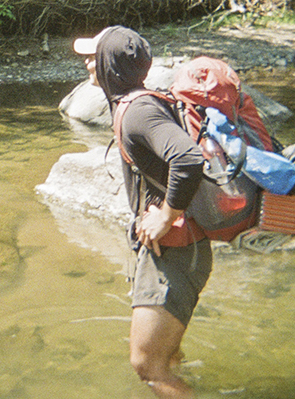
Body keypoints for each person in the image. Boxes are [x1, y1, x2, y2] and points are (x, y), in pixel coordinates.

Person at [74, 26, 209, 399]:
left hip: (177, 250)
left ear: (109, 64)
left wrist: (166, 215)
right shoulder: (136, 102)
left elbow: (187, 158)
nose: (87, 63)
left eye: (93, 56)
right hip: (173, 249)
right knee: (166, 357)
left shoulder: (139, 111)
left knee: (148, 367)